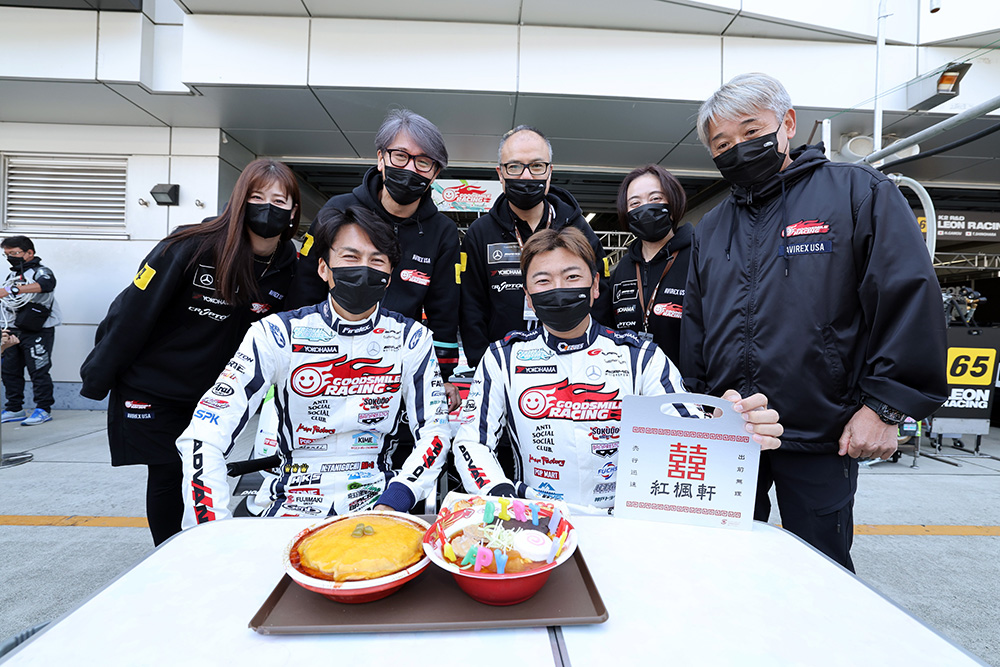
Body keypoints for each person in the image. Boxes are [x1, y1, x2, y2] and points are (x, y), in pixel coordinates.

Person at [681, 72, 948, 570]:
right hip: (731, 432)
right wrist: (699, 407)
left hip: (824, 431)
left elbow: (907, 295)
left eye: (750, 131)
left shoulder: (856, 193)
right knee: (722, 564)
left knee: (820, 571)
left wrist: (886, 407)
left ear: (787, 124)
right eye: (722, 144)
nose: (738, 148)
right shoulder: (712, 226)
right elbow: (696, 323)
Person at [452, 227, 781, 512]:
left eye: (572, 277)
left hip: (625, 519)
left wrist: (729, 425)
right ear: (528, 296)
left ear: (595, 286)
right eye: (543, 280)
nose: (559, 288)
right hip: (536, 517)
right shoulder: (503, 358)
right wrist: (500, 496)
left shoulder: (640, 357)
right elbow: (471, 442)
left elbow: (688, 432)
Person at [177, 206, 451, 526]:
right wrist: (210, 526)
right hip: (290, 506)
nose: (363, 269)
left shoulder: (412, 338)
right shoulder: (276, 333)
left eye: (377, 261)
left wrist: (397, 498)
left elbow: (435, 432)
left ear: (389, 276)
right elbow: (204, 434)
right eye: (350, 257)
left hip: (376, 505)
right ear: (323, 268)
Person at [79, 158, 300, 545]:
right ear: (239, 201)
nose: (268, 208)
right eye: (256, 197)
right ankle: (168, 555)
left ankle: (199, 546)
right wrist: (98, 375)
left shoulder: (289, 265)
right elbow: (133, 311)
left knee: (203, 473)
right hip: (155, 386)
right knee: (167, 472)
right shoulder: (189, 245)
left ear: (293, 211)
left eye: (279, 201)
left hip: (216, 394)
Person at [287, 109, 461, 410]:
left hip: (397, 365)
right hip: (326, 360)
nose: (410, 168)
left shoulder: (442, 231)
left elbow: (444, 307)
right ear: (381, 158)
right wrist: (295, 353)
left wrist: (442, 375)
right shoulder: (338, 209)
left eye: (423, 162)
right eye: (400, 156)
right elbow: (306, 284)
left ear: (435, 173)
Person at [459, 125, 613, 371]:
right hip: (504, 365)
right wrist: (482, 364)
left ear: (550, 171)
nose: (526, 177)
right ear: (500, 173)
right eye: (514, 167)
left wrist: (597, 357)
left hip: (575, 363)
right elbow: (471, 305)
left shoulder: (579, 228)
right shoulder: (480, 233)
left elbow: (600, 297)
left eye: (537, 166)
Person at [608, 164, 693, 363]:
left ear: (673, 203)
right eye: (635, 203)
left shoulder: (699, 257)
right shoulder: (623, 268)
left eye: (655, 199)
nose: (645, 208)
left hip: (687, 380)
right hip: (632, 378)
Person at [1, 236, 62, 426]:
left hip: (38, 330)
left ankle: (43, 409)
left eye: (15, 253)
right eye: (7, 254)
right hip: (12, 328)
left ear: (30, 253)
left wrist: (12, 290)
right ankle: (14, 408)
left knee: (39, 370)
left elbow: (47, 285)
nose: (11, 257)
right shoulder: (13, 275)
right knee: (9, 371)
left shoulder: (41, 272)